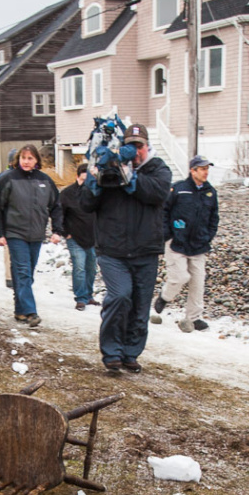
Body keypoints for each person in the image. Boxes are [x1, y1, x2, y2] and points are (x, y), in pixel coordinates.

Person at [82, 123, 173, 373]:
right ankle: (112, 352)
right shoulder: (106, 167)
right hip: (112, 250)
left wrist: (130, 176)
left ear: (147, 147)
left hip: (145, 251)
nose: (135, 152)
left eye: (139, 146)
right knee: (120, 296)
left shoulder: (158, 169)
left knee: (140, 306)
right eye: (130, 146)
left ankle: (130, 353)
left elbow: (158, 193)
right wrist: (95, 178)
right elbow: (87, 203)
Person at [0, 145, 63, 327]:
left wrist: (57, 229)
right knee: (22, 271)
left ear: (37, 160)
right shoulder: (8, 179)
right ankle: (31, 312)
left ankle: (20, 311)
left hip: (36, 234)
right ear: (18, 159)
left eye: (30, 158)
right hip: (15, 233)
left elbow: (56, 206)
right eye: (23, 157)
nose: (26, 161)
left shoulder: (45, 181)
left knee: (26, 274)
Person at [153, 155, 219, 333]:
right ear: (193, 170)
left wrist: (208, 236)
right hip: (176, 243)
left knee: (198, 282)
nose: (206, 172)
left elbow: (214, 218)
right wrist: (167, 235)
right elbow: (164, 212)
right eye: (202, 169)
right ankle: (164, 297)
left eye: (207, 169)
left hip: (199, 245)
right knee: (180, 277)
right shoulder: (179, 189)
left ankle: (193, 318)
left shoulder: (210, 192)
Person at [60, 163, 99, 311]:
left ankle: (88, 295)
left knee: (91, 268)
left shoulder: (96, 193)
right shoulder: (67, 194)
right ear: (77, 177)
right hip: (75, 237)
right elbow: (59, 214)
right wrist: (65, 233)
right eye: (83, 180)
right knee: (79, 268)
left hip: (92, 237)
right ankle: (80, 298)